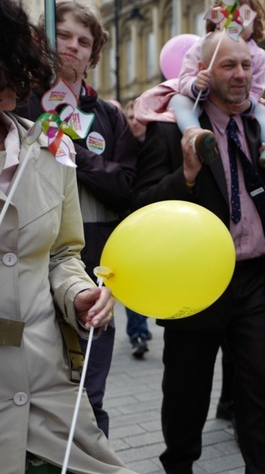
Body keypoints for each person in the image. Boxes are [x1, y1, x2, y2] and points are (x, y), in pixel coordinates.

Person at [0, 0, 180, 474]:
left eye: (20, 51)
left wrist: (76, 294)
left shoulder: (49, 149)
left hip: (45, 409)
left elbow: (60, 253)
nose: (15, 67)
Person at [132, 32, 265, 474]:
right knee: (187, 383)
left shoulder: (261, 126)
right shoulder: (170, 129)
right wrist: (184, 174)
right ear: (203, 70)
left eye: (246, 65)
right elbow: (141, 206)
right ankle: (180, 465)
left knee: (262, 389)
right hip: (196, 276)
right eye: (228, 66)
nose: (241, 75)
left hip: (255, 277)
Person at [16, 0, 139, 435]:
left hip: (95, 266)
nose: (72, 47)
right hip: (30, 262)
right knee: (32, 389)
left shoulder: (108, 116)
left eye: (83, 41)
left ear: (94, 54)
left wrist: (72, 149)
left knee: (91, 392)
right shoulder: (18, 103)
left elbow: (124, 186)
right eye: (63, 36)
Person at [168, 0, 265, 170]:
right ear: (219, 19)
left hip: (243, 102)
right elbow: (185, 77)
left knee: (262, 109)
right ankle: (195, 135)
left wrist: (249, 103)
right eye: (231, 17)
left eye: (245, 18)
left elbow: (256, 90)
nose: (237, 23)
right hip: (201, 98)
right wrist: (196, 84)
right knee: (179, 101)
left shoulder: (259, 55)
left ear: (255, 23)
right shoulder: (203, 45)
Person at [122, 99, 153, 358]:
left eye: (138, 116)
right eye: (129, 116)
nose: (134, 121)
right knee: (134, 278)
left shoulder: (159, 146)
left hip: (153, 224)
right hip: (126, 222)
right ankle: (138, 332)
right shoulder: (122, 147)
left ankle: (140, 328)